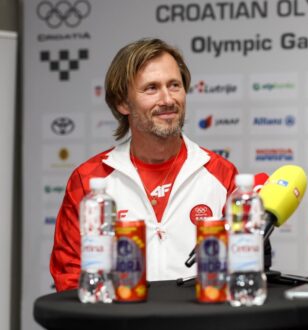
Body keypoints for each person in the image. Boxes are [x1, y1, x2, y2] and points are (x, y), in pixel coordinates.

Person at [50, 38, 238, 291]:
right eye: (151, 88)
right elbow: (70, 274)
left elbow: (241, 268)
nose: (168, 99)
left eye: (174, 85)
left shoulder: (222, 174)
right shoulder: (89, 180)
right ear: (122, 103)